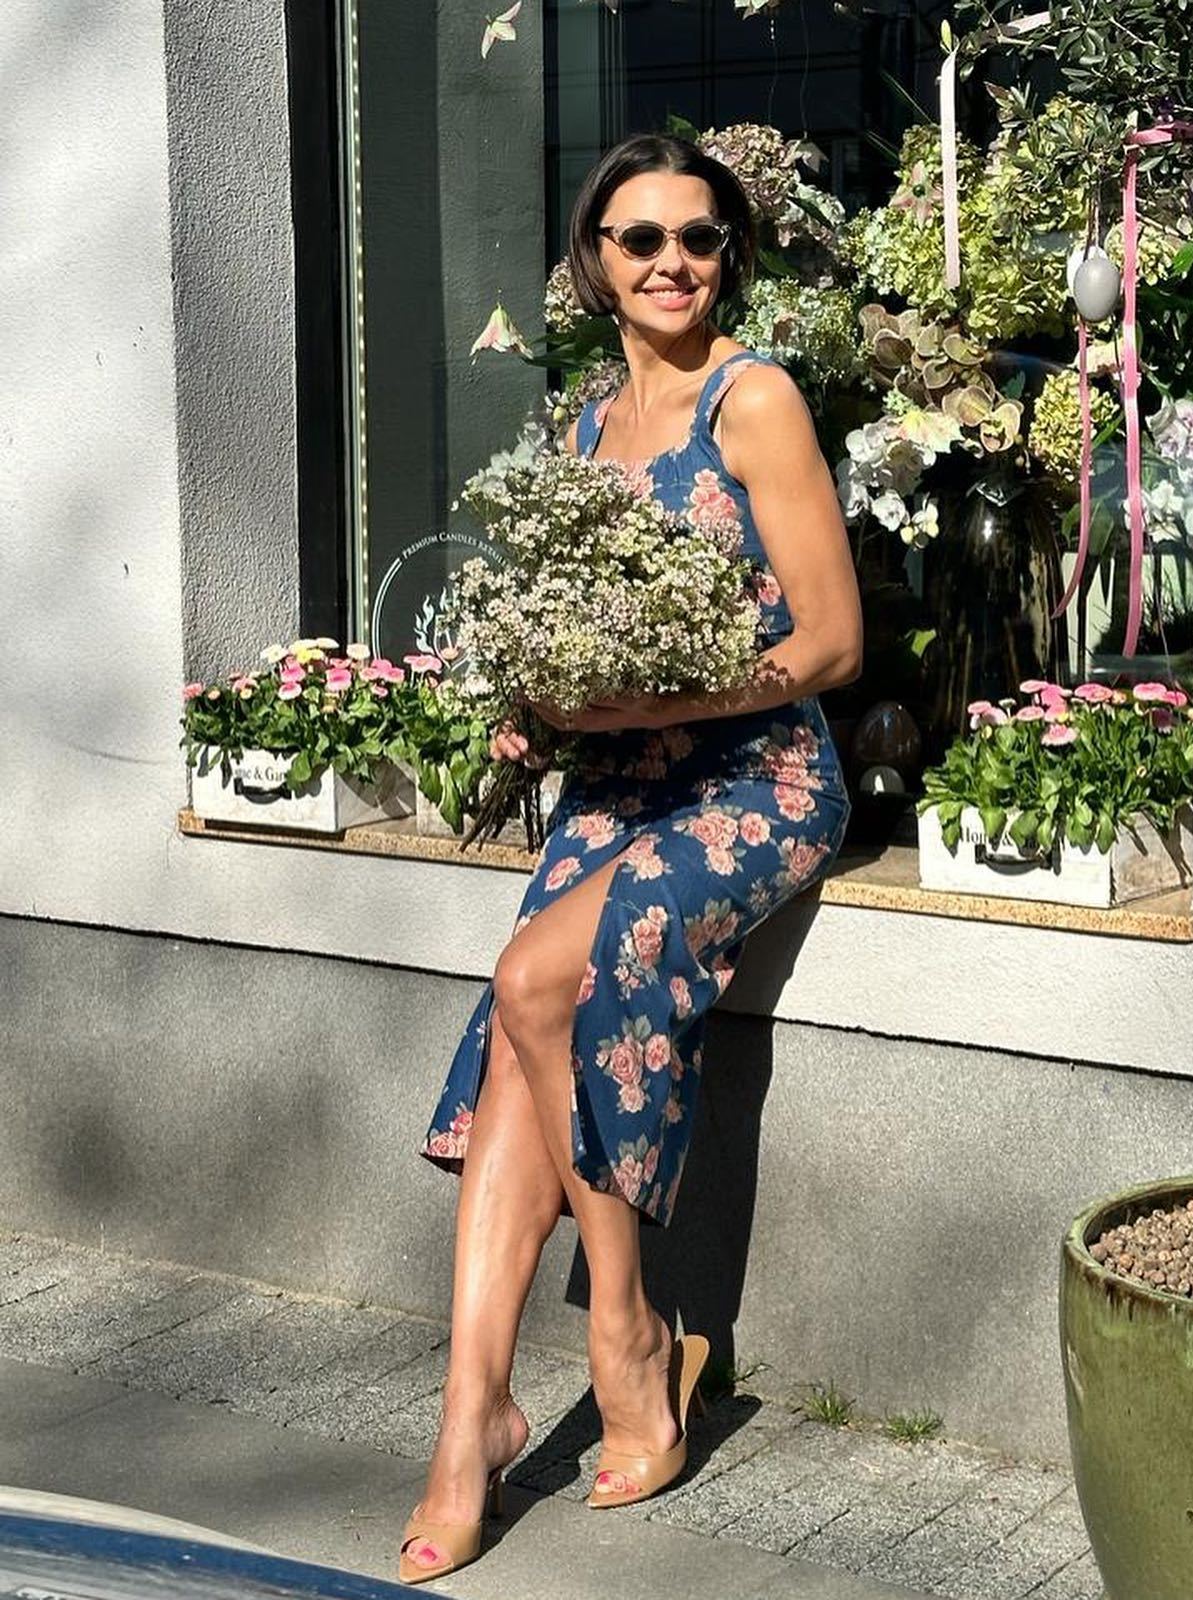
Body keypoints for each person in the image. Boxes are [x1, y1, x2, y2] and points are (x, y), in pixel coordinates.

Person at [399, 131, 863, 1584]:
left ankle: (627, 1334)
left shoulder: (754, 398)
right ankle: (472, 1413)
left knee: (542, 977)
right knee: (522, 998)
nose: (673, 262)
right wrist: (537, 705)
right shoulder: (579, 432)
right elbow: (577, 631)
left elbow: (832, 643)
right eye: (641, 238)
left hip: (760, 777)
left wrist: (658, 702)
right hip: (620, 780)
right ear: (594, 264)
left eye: (700, 238)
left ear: (731, 256)